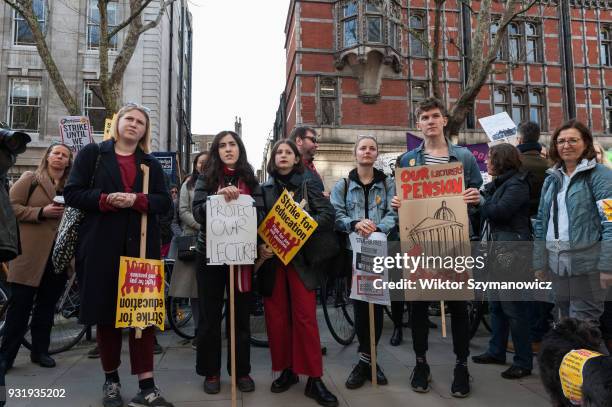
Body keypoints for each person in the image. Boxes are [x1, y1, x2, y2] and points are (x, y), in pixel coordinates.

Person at [64, 104, 173, 407]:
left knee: (142, 317)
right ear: (118, 123)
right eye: (130, 119)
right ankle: (111, 381)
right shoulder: (93, 154)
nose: (134, 125)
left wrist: (137, 199)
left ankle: (147, 385)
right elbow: (72, 193)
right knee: (106, 317)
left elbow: (164, 203)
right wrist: (104, 199)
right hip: (101, 247)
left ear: (144, 130)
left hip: (140, 249)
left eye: (140, 122)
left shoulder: (149, 163)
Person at [392, 97, 483, 397]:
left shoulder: (464, 157)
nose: (430, 121)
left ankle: (461, 366)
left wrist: (475, 197)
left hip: (454, 245)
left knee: (458, 307)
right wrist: (397, 205)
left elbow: (478, 191)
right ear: (418, 124)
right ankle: (421, 363)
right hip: (419, 248)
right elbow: (403, 203)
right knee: (417, 306)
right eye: (424, 117)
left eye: (435, 116)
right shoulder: (408, 160)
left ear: (444, 120)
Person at [258, 139, 338, 407]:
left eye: (288, 152)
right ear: (274, 159)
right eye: (278, 152)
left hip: (302, 261)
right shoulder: (264, 188)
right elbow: (257, 223)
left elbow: (327, 214)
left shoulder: (309, 183)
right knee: (277, 318)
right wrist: (261, 246)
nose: (282, 155)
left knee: (305, 319)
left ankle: (315, 379)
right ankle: (287, 370)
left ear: (295, 159)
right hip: (273, 262)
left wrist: (302, 226)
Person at [192, 131, 263, 395]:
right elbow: (199, 212)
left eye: (232, 144)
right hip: (210, 254)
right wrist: (218, 198)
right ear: (216, 151)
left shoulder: (250, 178)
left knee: (240, 317)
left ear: (239, 148)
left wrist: (244, 204)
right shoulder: (206, 178)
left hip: (241, 256)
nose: (228, 149)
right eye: (222, 146)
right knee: (209, 318)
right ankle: (211, 371)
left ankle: (241, 371)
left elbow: (261, 212)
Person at [330, 136, 397, 389]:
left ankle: (369, 360)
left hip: (379, 251)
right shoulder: (344, 184)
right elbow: (336, 213)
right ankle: (365, 360)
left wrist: (378, 227)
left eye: (371, 148)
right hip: (353, 252)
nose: (367, 152)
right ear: (354, 152)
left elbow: (395, 213)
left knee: (376, 306)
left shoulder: (389, 184)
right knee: (360, 306)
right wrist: (355, 224)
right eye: (362, 148)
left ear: (376, 154)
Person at [533, 120, 612, 328]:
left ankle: (596, 362)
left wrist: (607, 266)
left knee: (583, 328)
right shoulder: (552, 178)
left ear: (585, 143)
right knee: (564, 325)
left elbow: (610, 223)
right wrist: (540, 263)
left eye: (573, 140)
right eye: (561, 141)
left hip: (588, 267)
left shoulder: (601, 176)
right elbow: (542, 222)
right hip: (557, 266)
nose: (566, 145)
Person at [0, 143, 72, 371]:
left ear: (69, 162)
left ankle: (40, 351)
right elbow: (9, 207)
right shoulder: (31, 178)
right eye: (56, 153)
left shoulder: (71, 187)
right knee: (19, 308)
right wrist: (41, 212)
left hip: (57, 257)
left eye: (65, 155)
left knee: (46, 308)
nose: (60, 158)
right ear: (48, 157)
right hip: (29, 255)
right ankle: (6, 357)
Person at [471, 144, 533, 379]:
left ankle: (523, 361)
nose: (486, 162)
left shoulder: (517, 184)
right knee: (497, 305)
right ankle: (496, 351)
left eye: (490, 159)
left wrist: (481, 203)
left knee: (514, 308)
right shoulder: (499, 184)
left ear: (501, 161)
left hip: (512, 251)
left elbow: (500, 212)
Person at [516, 121, 553, 352]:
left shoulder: (516, 164)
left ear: (519, 139)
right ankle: (541, 329)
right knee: (542, 282)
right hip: (546, 229)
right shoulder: (549, 164)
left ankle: (532, 334)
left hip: (522, 229)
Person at [169, 151, 208, 349]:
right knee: (194, 290)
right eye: (200, 162)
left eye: (207, 162)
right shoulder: (188, 184)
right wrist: (204, 225)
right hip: (194, 239)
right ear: (195, 165)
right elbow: (183, 211)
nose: (203, 165)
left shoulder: (217, 183)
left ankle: (209, 330)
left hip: (215, 242)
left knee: (210, 289)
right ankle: (197, 332)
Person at [289, 126, 325, 193]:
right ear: (299, 141)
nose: (317, 145)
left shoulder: (309, 166)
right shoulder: (286, 167)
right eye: (313, 140)